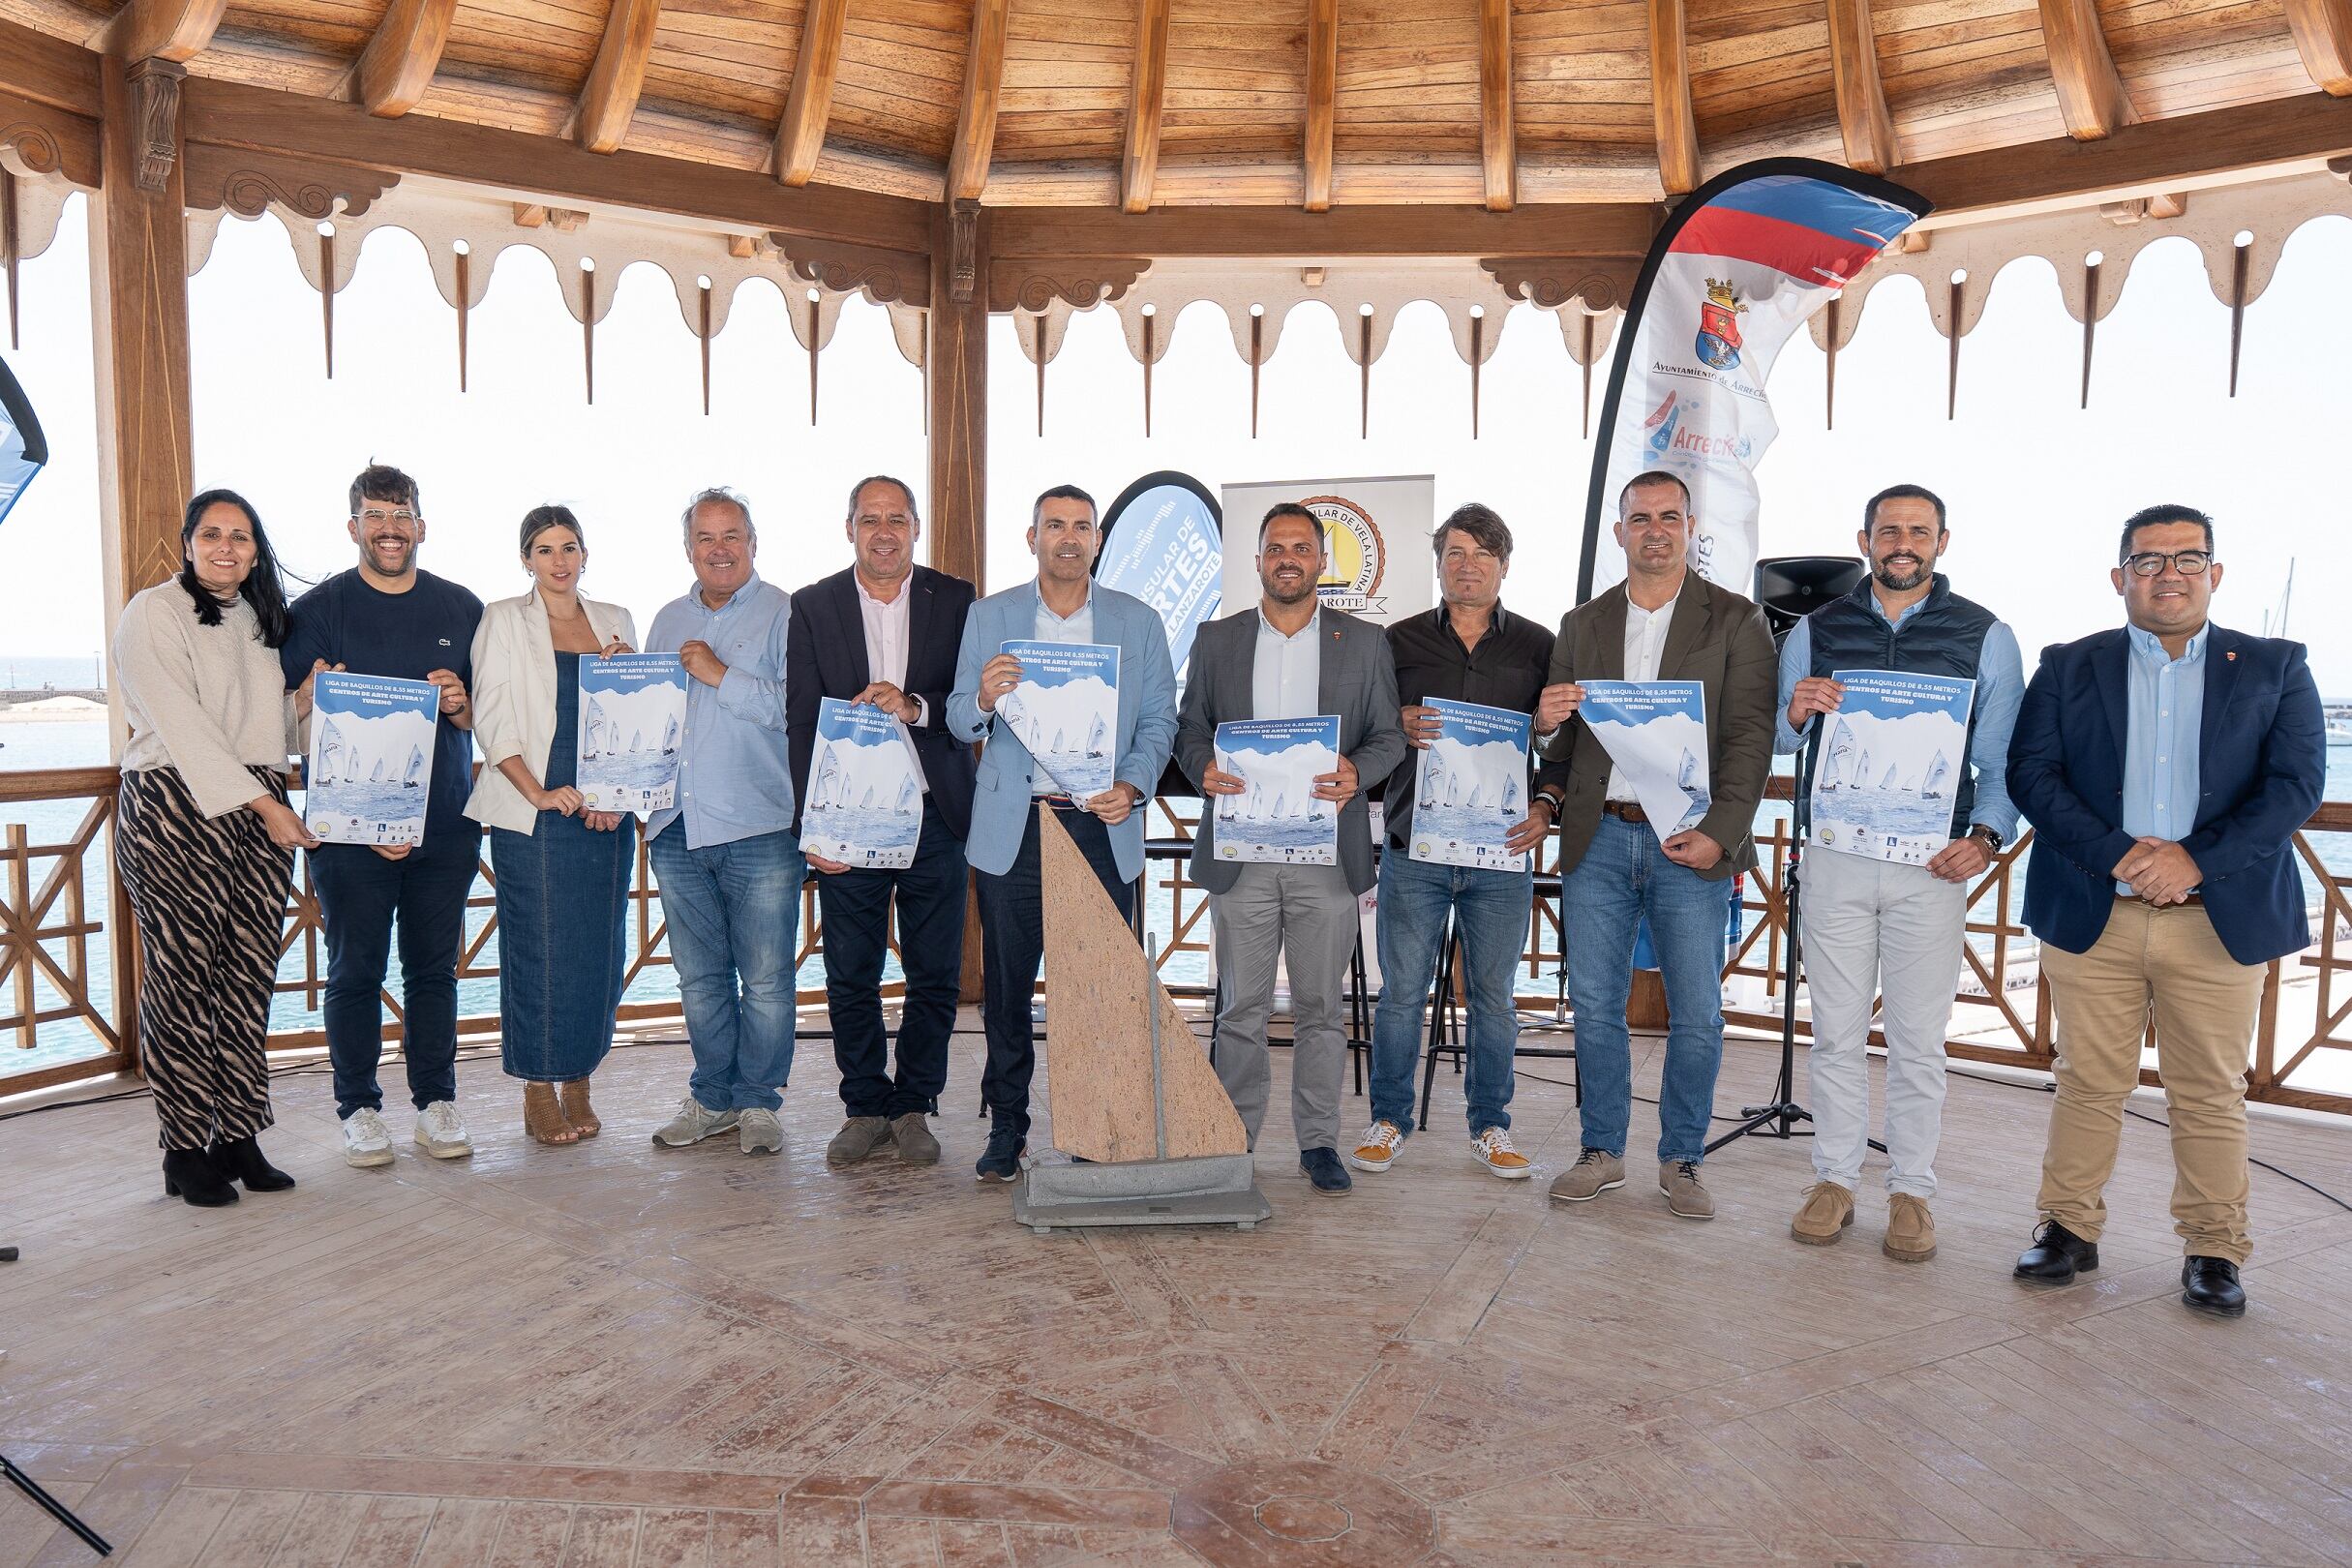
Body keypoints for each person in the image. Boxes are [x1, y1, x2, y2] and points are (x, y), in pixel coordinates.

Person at [2008, 504, 2324, 1318]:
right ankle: (2068, 1230)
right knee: (2084, 1080)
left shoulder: (2276, 665)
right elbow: (2033, 776)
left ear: (2215, 575)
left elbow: (2295, 787)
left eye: (2188, 559)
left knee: (2210, 1089)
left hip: (2218, 918)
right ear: (2121, 578)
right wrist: (2120, 854)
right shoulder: (2067, 664)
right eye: (2149, 561)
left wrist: (2193, 859)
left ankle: (2214, 1249)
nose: (2169, 574)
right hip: (2093, 909)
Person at [1775, 483, 2023, 1262]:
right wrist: (1795, 714)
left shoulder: (1986, 634)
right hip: (1837, 859)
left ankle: (1912, 1190)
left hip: (1933, 866)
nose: (1903, 544)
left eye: (1919, 531)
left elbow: (2003, 761)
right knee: (1835, 1035)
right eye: (1890, 531)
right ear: (1865, 540)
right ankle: (1835, 1180)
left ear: (1942, 542)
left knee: (1919, 1040)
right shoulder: (1814, 631)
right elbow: (1777, 747)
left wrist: (1986, 837)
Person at [1540, 470, 1776, 1220]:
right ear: (1620, 533)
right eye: (1640, 518)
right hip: (1598, 837)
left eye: (1669, 517)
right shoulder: (1581, 626)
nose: (1654, 530)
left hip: (1693, 843)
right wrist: (1544, 720)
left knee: (1699, 1012)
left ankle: (1683, 1159)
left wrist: (1721, 834)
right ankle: (1601, 1149)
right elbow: (1562, 742)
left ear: (1689, 528)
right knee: (1597, 1006)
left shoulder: (1737, 621)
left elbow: (1749, 740)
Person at [948, 483, 1180, 1183]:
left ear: (1099, 540)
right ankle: (1007, 1129)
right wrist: (984, 697)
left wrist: (1133, 786)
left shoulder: (1138, 622)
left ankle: (1096, 1129)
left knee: (1101, 992)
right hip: (1015, 829)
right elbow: (960, 719)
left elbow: (1160, 722)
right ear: (1033, 538)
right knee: (1008, 990)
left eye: (1083, 526)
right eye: (1055, 525)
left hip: (1102, 825)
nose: (1069, 538)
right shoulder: (990, 618)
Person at [1175, 502, 1406, 1194]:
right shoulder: (1216, 640)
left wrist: (1358, 773)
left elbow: (1390, 735)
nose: (1287, 558)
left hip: (1325, 858)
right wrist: (1200, 768)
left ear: (1321, 562)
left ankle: (1318, 1144)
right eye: (1275, 547)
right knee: (1238, 1009)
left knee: (1320, 1009)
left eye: (1301, 548)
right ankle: (1232, 1143)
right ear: (1257, 562)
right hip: (1242, 853)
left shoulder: (1364, 643)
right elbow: (1191, 730)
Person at [1350, 503, 1571, 1181]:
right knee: (1401, 996)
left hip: (1502, 852)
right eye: (1454, 553)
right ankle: (1388, 1120)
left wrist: (1547, 802)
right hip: (1415, 844)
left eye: (1481, 555)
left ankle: (1491, 1126)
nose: (1466, 566)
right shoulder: (1397, 641)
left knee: (1497, 1000)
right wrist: (1396, 718)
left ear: (1505, 565)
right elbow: (1365, 727)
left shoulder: (1540, 645)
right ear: (1439, 562)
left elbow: (1564, 742)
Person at [112, 490, 315, 1207]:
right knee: (182, 980)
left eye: (241, 535)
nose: (226, 546)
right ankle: (184, 1146)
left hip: (256, 803)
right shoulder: (152, 610)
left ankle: (238, 1134)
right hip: (174, 803)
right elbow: (182, 724)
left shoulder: (259, 621)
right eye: (212, 534)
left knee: (246, 977)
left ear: (256, 548)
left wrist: (306, 702)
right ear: (188, 543)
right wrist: (267, 806)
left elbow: (264, 733)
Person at [281, 464, 485, 1169]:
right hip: (347, 832)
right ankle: (360, 1109)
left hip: (446, 823)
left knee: (434, 973)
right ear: (353, 527)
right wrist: (309, 696)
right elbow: (280, 720)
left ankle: (435, 1102)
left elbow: (501, 713)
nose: (390, 529)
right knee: (354, 972)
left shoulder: (463, 607)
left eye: (401, 516)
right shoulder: (316, 611)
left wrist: (463, 704)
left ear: (421, 526)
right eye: (375, 516)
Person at [786, 475, 976, 1168]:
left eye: (897, 518)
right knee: (850, 972)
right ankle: (864, 1106)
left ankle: (915, 1105)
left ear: (916, 528)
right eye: (871, 519)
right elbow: (801, 721)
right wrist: (816, 826)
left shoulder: (955, 599)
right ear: (850, 529)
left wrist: (915, 705)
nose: (884, 531)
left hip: (935, 812)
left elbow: (967, 701)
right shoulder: (813, 605)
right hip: (848, 819)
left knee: (935, 976)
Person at [466, 505, 637, 1146]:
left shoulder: (616, 620)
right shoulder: (503, 619)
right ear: (526, 560)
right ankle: (539, 1088)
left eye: (569, 547)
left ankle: (580, 1078)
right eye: (544, 550)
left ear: (585, 554)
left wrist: (614, 795)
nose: (559, 560)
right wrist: (538, 792)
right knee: (539, 946)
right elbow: (491, 715)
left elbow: (634, 722)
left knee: (600, 946)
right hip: (532, 806)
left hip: (604, 809)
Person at [645, 488, 805, 1158]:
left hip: (759, 823)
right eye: (706, 538)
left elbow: (798, 709)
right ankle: (712, 1097)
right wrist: (626, 677)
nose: (719, 549)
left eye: (731, 535)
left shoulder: (787, 613)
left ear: (753, 542)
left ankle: (758, 1103)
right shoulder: (665, 617)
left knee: (766, 978)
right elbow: (649, 716)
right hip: (676, 824)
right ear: (689, 549)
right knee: (699, 977)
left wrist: (718, 674)